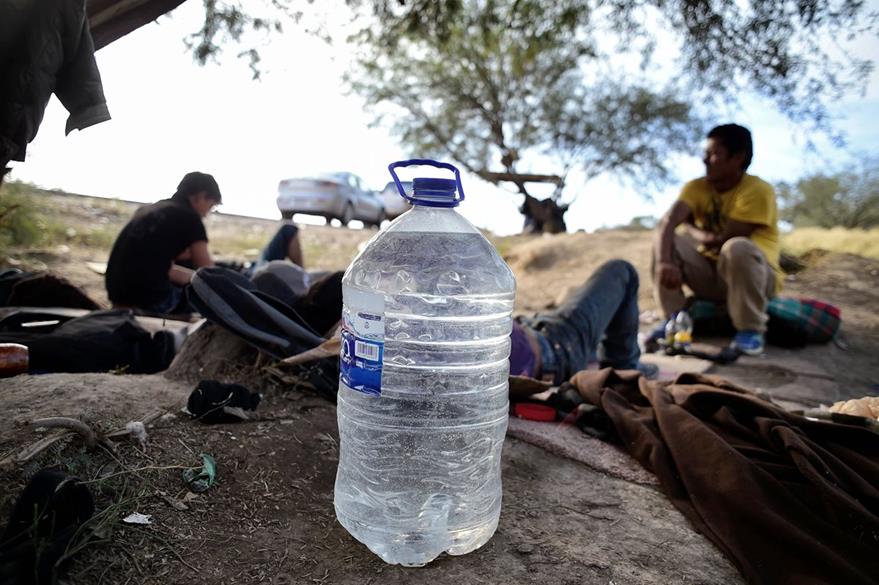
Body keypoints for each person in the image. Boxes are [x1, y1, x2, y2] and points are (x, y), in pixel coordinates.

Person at [651, 124, 781, 355]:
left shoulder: (757, 190)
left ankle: (750, 330)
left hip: (754, 279)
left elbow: (721, 240)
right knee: (665, 239)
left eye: (714, 154)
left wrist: (690, 226)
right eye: (706, 153)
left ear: (738, 157)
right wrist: (664, 262)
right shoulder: (696, 187)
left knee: (736, 247)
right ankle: (674, 321)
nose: (705, 160)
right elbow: (667, 223)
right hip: (712, 277)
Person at [105, 172, 307, 314]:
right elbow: (208, 275)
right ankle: (301, 279)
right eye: (210, 206)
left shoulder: (151, 209)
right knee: (285, 234)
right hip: (156, 302)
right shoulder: (189, 218)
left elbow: (158, 267)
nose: (207, 214)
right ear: (200, 197)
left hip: (118, 295)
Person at [511, 259, 657, 382]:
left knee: (592, 336)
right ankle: (624, 368)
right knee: (621, 270)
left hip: (534, 332)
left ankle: (602, 352)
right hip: (554, 345)